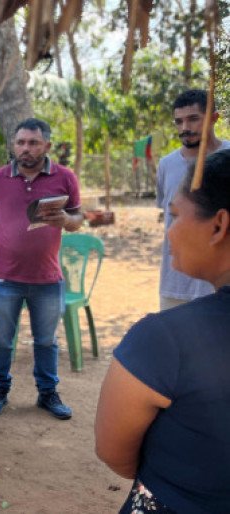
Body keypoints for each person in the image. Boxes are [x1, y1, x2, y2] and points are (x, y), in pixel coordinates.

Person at [95, 149, 230, 513]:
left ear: (219, 225)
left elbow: (114, 452)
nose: (168, 233)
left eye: (174, 216)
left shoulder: (163, 341)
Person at [0, 118, 82, 420]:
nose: (26, 149)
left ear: (47, 146)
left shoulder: (64, 177)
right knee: (1, 339)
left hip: (48, 278)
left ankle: (47, 393)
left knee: (46, 341)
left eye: (33, 143)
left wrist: (65, 219)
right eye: (21, 142)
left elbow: (78, 219)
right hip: (4, 277)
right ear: (14, 145)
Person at [155, 89, 229, 310]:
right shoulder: (166, 165)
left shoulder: (228, 158)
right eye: (179, 122)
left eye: (193, 119)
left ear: (214, 118)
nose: (185, 128)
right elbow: (168, 213)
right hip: (175, 284)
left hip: (223, 285)